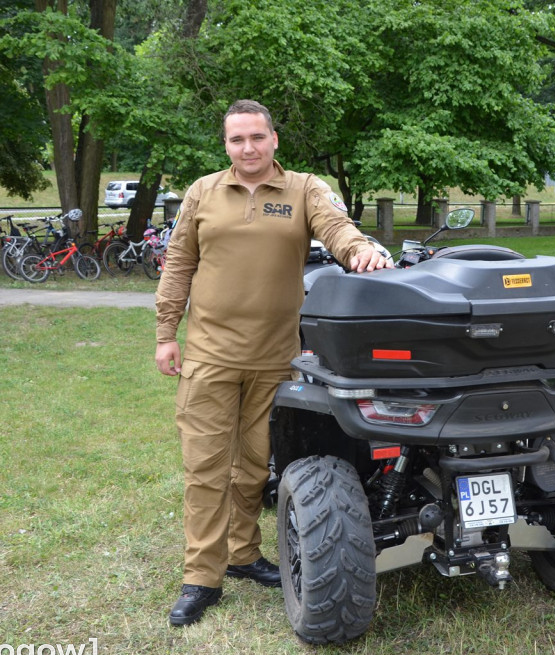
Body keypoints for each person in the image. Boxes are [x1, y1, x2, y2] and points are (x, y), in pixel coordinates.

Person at [154, 99, 391, 627]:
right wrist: (166, 333)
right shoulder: (203, 192)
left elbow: (336, 227)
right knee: (207, 467)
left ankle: (243, 555)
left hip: (277, 359)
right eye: (237, 139)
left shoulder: (304, 188)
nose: (248, 148)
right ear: (226, 144)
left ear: (274, 138)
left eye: (256, 137)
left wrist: (359, 251)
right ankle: (202, 576)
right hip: (210, 356)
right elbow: (179, 264)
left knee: (256, 465)